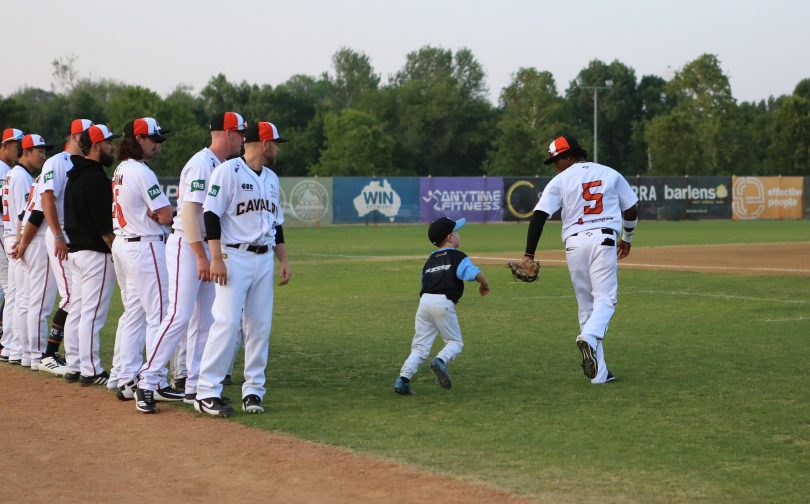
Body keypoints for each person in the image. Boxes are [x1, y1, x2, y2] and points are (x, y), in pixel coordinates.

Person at [135, 111, 246, 411]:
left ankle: (196, 386)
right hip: (188, 244)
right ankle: (146, 380)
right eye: (240, 132)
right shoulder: (202, 163)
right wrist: (200, 255)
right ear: (227, 133)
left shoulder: (219, 164)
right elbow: (189, 212)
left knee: (205, 321)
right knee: (179, 316)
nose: (243, 138)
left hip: (206, 247)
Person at [519, 135, 638, 384]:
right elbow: (631, 208)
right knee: (605, 299)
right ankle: (590, 336)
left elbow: (539, 216)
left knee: (586, 306)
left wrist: (529, 254)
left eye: (556, 159)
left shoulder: (559, 181)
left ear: (570, 155)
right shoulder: (609, 173)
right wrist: (627, 236)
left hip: (573, 244)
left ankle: (599, 374)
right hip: (603, 240)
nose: (554, 165)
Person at [195, 121, 291, 417]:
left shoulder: (272, 178)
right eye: (275, 142)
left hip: (263, 258)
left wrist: (283, 260)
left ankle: (253, 390)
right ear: (264, 144)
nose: (277, 148)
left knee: (260, 326)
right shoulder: (228, 171)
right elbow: (210, 214)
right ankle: (206, 391)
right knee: (225, 323)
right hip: (233, 257)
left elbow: (277, 225)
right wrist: (215, 258)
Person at [106, 117, 181, 409]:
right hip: (144, 244)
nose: (158, 144)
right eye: (153, 139)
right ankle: (156, 380)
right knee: (159, 314)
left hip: (124, 244)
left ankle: (127, 377)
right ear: (138, 139)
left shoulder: (121, 170)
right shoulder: (140, 171)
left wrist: (158, 212)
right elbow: (165, 214)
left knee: (135, 313)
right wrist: (166, 212)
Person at [14, 119, 93, 376]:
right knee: (52, 298)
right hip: (52, 234)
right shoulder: (57, 162)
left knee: (29, 298)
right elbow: (41, 206)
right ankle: (40, 354)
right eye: (86, 134)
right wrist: (31, 241)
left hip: (61, 235)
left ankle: (28, 353)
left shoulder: (80, 164)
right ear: (74, 135)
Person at [394, 217, 490, 395]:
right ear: (450, 237)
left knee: (420, 347)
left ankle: (403, 380)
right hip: (443, 302)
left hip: (424, 302)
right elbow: (475, 273)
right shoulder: (458, 256)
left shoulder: (430, 260)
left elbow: (427, 282)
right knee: (455, 342)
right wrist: (485, 285)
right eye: (456, 231)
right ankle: (440, 360)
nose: (458, 234)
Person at [62, 124, 120, 385]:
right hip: (95, 254)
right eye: (108, 142)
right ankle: (91, 369)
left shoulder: (74, 175)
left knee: (78, 311)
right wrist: (117, 252)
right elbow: (105, 228)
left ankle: (75, 364)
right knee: (92, 314)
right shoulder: (96, 178)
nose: (112, 147)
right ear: (96, 146)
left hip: (76, 253)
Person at [6, 134, 53, 368]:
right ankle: (34, 354)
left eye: (44, 151)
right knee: (33, 300)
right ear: (26, 151)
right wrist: (21, 241)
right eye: (39, 150)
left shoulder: (16, 175)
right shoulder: (24, 177)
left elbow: (22, 214)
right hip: (29, 237)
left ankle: (19, 350)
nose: (43, 155)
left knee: (21, 298)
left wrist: (18, 239)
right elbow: (32, 214)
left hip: (18, 236)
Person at [0, 128, 23, 362]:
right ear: (5, 144)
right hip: (5, 233)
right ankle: (9, 344)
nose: (20, 148)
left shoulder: (8, 170)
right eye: (17, 144)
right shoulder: (5, 169)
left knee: (10, 289)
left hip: (5, 232)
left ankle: (8, 343)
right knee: (11, 289)